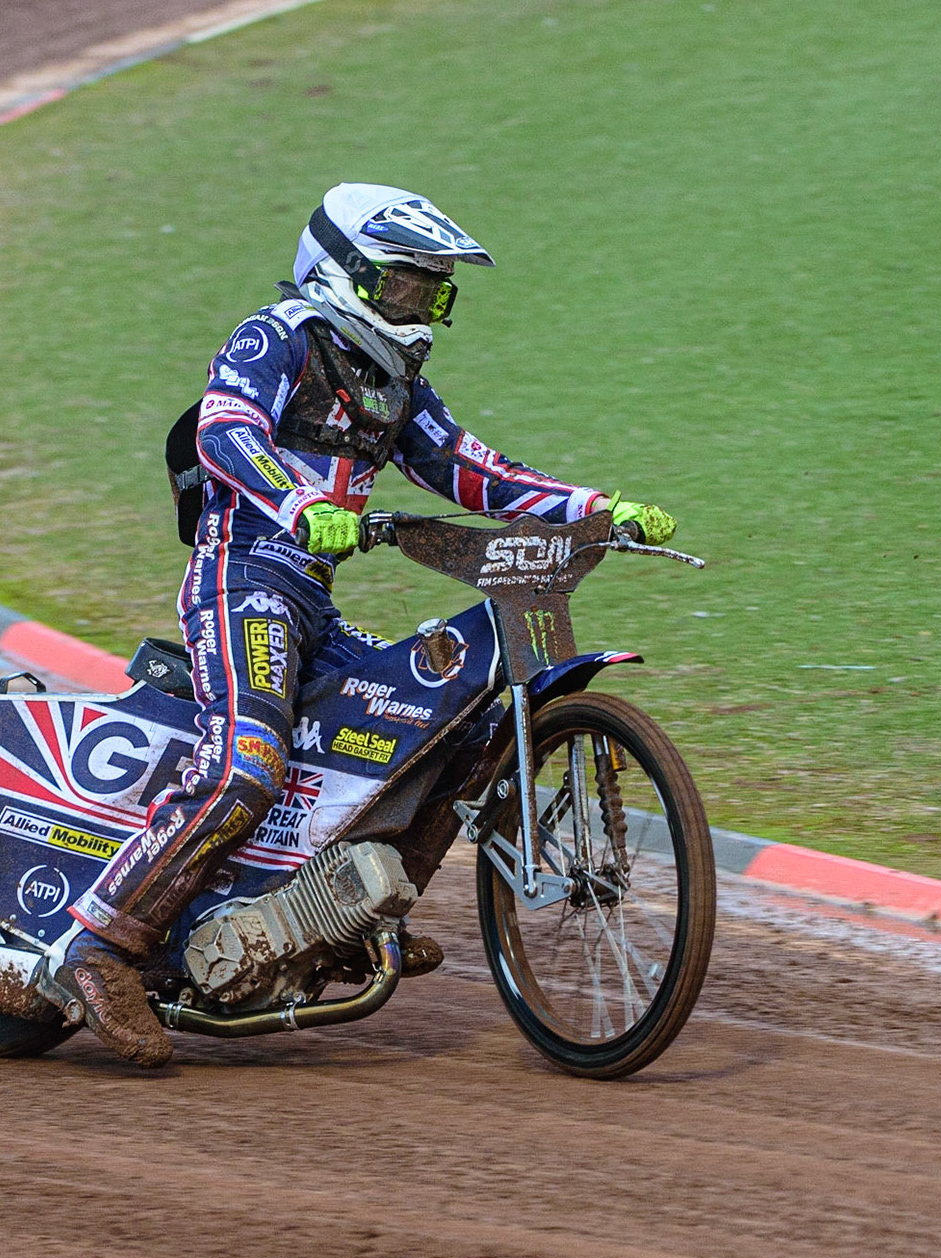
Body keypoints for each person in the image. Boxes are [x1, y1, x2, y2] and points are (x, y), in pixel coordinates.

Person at [54, 183, 676, 1066]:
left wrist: (596, 508)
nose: (417, 308)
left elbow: (472, 472)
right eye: (403, 288)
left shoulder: (397, 382)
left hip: (312, 596)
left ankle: (346, 919)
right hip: (244, 581)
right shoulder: (278, 336)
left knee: (445, 733)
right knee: (247, 763)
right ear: (342, 272)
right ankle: (102, 948)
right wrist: (298, 501)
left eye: (431, 293)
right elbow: (223, 433)